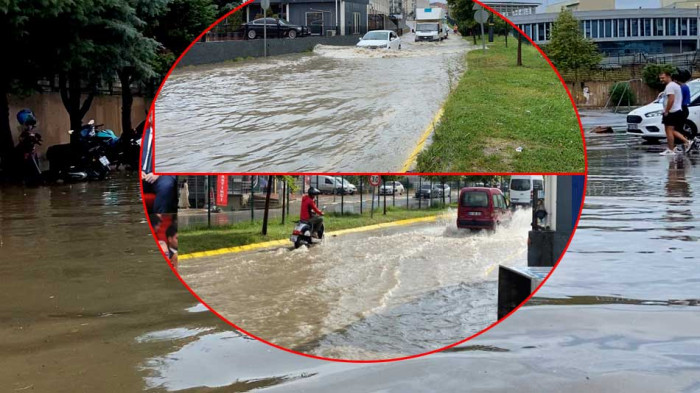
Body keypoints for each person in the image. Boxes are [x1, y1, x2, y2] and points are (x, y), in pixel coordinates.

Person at [141, 121, 177, 213]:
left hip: (163, 173)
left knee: (166, 185)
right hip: (143, 173)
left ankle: (159, 218)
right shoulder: (143, 134)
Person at [659, 71, 690, 155]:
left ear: (668, 76)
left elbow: (671, 99)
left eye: (663, 78)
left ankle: (672, 148)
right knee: (671, 130)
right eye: (660, 78)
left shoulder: (670, 86)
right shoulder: (674, 85)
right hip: (676, 110)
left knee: (669, 131)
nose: (661, 79)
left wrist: (667, 110)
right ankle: (673, 148)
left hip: (672, 111)